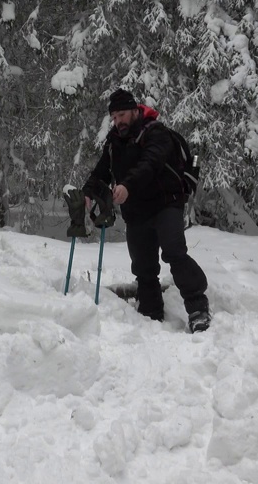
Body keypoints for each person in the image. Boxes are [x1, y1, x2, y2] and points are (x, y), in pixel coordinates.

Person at [82, 88, 211, 332]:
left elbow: (150, 163)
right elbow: (100, 173)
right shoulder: (113, 143)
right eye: (114, 117)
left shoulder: (156, 132)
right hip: (137, 211)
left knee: (174, 253)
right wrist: (87, 193)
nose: (118, 121)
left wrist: (127, 185)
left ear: (134, 111)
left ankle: (198, 308)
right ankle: (150, 313)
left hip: (166, 204)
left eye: (121, 115)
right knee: (143, 266)